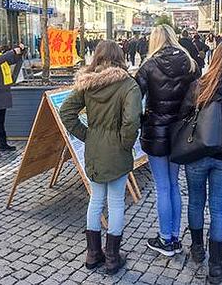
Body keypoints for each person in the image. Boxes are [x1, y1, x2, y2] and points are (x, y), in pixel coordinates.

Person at [59, 40, 142, 275]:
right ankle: (113, 258)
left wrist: (88, 135)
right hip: (116, 150)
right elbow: (132, 121)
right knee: (116, 202)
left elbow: (66, 112)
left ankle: (93, 254)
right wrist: (124, 144)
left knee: (96, 199)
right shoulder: (128, 85)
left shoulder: (87, 83)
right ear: (121, 57)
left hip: (95, 148)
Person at [179, 41, 222, 285]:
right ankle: (216, 266)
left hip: (198, 151)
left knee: (196, 201)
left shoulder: (200, 85)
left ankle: (197, 249)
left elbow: (183, 115)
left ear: (215, 58)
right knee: (219, 208)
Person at [135, 24, 200, 256]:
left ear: (155, 40)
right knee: (174, 185)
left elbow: (135, 98)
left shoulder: (148, 66)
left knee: (162, 186)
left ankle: (166, 239)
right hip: (181, 132)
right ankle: (174, 236)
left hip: (156, 131)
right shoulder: (190, 63)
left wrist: (142, 119)